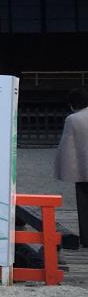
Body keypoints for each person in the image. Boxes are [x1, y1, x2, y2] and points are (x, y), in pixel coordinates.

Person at [54, 87, 88, 241]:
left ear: (72, 104)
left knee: (84, 204)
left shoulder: (73, 119)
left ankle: (86, 238)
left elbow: (67, 147)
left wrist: (64, 171)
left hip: (83, 170)